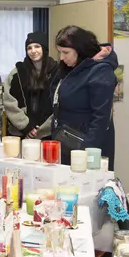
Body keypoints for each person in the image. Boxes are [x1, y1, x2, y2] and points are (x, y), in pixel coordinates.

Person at [51, 25, 118, 170]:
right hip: (68, 141)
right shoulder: (70, 67)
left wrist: (85, 152)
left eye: (65, 52)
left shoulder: (101, 71)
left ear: (80, 49)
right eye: (59, 52)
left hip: (88, 148)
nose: (61, 57)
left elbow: (101, 119)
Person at [4, 31, 58, 139]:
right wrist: (26, 127)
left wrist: (42, 130)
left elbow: (60, 104)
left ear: (44, 48)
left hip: (50, 133)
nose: (33, 51)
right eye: (29, 48)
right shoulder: (17, 73)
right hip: (21, 133)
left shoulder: (57, 72)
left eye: (37, 46)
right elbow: (9, 102)